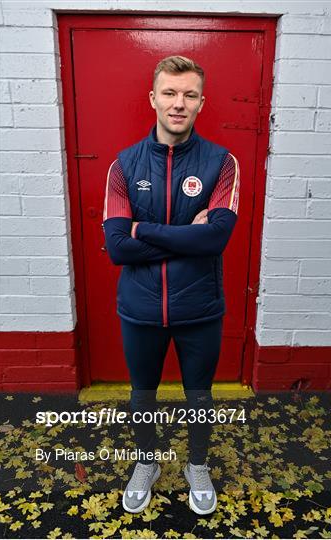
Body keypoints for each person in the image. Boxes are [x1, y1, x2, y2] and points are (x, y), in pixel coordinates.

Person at [102, 55, 240, 516]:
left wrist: (142, 230)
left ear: (202, 102)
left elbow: (217, 236)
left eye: (189, 95)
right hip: (140, 308)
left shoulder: (222, 163)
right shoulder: (123, 165)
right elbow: (117, 248)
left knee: (199, 396)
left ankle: (196, 464)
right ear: (153, 98)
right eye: (170, 93)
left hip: (200, 308)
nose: (178, 103)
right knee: (143, 394)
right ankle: (147, 462)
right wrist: (188, 238)